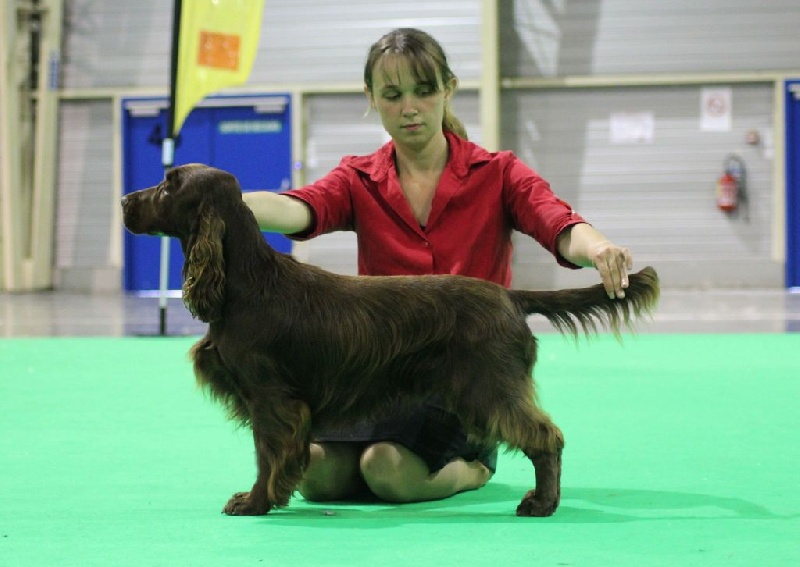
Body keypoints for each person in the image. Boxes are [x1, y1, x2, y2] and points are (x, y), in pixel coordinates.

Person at [242, 28, 633, 505]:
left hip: (462, 371)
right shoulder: (358, 177)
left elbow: (556, 220)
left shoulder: (498, 171)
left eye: (424, 92)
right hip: (378, 373)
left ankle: (472, 470)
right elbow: (300, 207)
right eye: (392, 95)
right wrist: (229, 202)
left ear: (448, 88)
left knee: (387, 472)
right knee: (316, 477)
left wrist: (597, 248)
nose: (410, 108)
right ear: (372, 99)